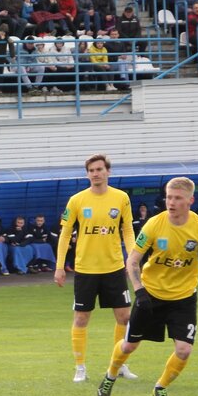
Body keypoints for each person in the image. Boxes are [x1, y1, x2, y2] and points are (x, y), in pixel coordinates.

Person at [97, 177, 198, 396]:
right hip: (151, 296)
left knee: (184, 350)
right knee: (129, 346)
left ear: (190, 201)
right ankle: (110, 376)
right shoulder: (154, 224)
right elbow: (132, 262)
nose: (171, 202)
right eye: (168, 197)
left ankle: (160, 388)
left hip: (183, 299)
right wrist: (140, 291)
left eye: (177, 198)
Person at [55, 154, 140, 384]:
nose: (96, 173)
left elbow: (127, 230)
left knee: (125, 316)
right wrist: (60, 266)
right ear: (87, 174)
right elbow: (64, 234)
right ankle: (80, 367)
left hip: (113, 267)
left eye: (99, 169)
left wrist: (132, 258)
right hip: (85, 269)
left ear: (108, 172)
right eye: (91, 170)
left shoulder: (121, 198)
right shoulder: (77, 200)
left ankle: (120, 364)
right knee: (81, 318)